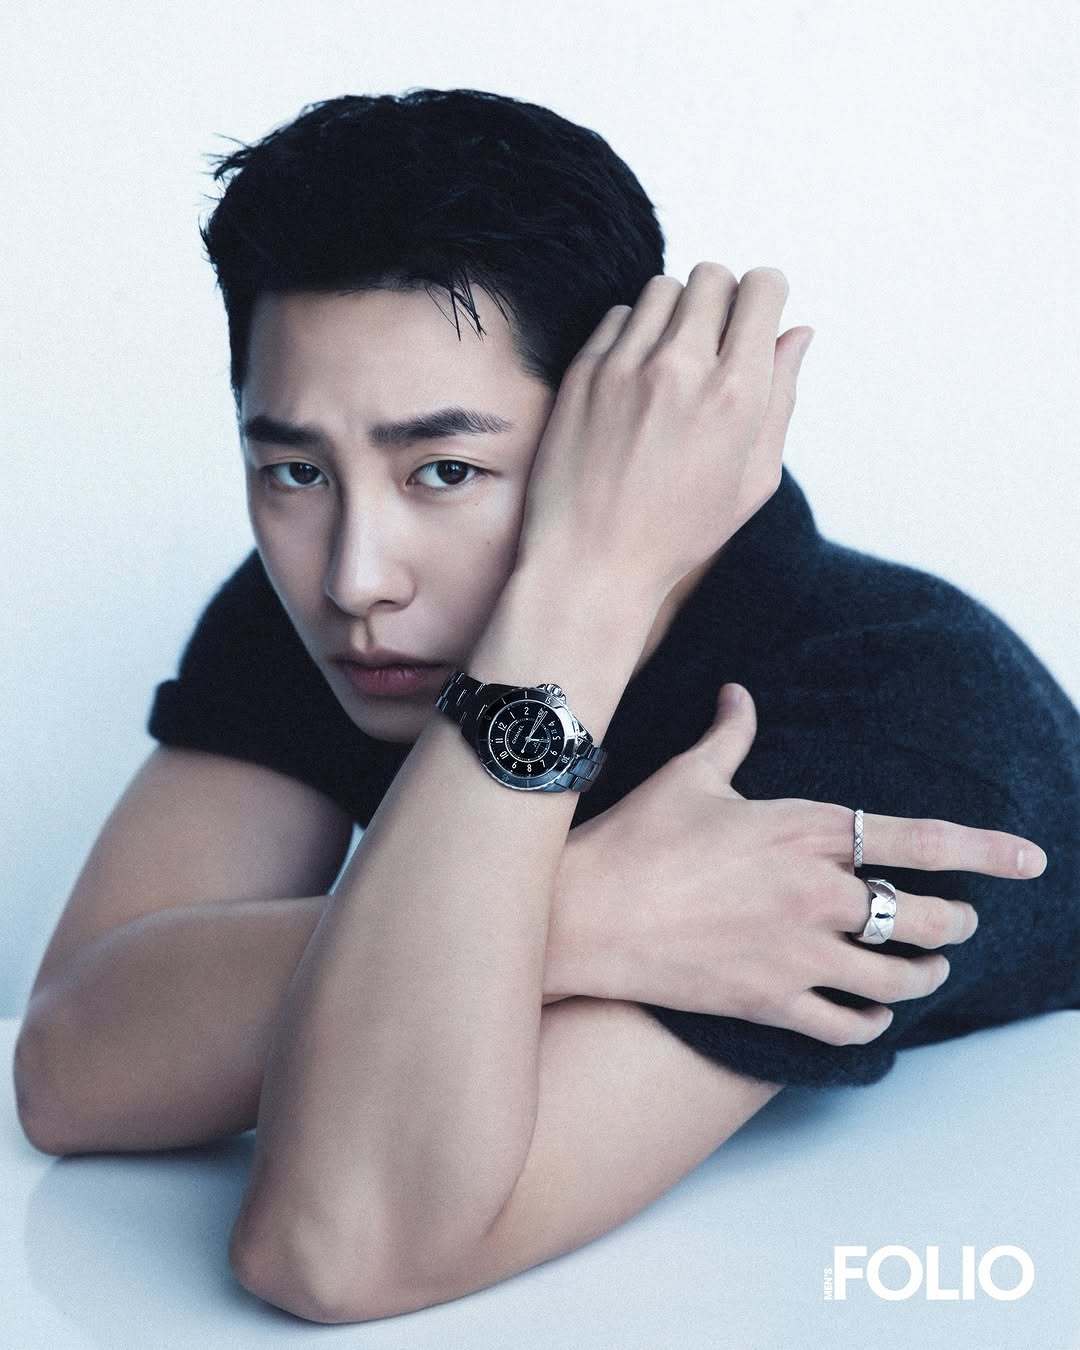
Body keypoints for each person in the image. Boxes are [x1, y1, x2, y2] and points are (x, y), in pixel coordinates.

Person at [26, 88, 1080, 1321]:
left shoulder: (894, 714)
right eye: (294, 469)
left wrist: (588, 580)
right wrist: (587, 909)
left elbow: (339, 1242)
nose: (356, 577)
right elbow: (68, 1068)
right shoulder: (352, 614)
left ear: (616, 429)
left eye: (447, 469)